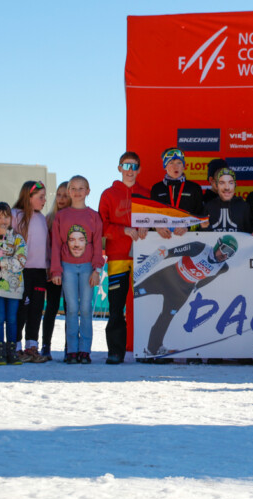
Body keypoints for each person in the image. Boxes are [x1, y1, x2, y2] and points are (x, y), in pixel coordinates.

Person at [134, 235, 239, 359]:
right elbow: (171, 252)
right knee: (134, 292)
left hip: (182, 291)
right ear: (218, 244)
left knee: (166, 317)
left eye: (230, 254)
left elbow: (210, 278)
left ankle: (154, 349)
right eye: (225, 249)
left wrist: (197, 286)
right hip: (167, 277)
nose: (225, 255)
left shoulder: (223, 268)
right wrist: (152, 259)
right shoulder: (198, 248)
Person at [99, 152, 150, 364]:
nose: (130, 170)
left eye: (134, 166)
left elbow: (157, 221)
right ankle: (116, 351)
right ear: (119, 168)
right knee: (116, 305)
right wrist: (124, 230)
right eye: (126, 166)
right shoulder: (109, 194)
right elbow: (102, 226)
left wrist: (149, 226)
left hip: (144, 257)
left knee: (147, 303)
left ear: (138, 170)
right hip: (118, 257)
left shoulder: (146, 194)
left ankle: (148, 349)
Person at [50, 176, 104, 364]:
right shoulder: (61, 216)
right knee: (72, 309)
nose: (77, 192)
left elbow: (97, 245)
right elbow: (56, 245)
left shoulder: (93, 216)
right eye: (73, 188)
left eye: (82, 188)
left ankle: (85, 351)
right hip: (68, 267)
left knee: (86, 309)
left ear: (88, 191)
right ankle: (72, 350)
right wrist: (56, 270)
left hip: (88, 267)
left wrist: (97, 270)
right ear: (69, 191)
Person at [0, 201, 26, 366]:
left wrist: (0, 262)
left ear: (11, 218)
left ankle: (12, 351)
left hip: (15, 287)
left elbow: (20, 262)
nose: (3, 220)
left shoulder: (18, 239)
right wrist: (8, 258)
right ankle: (0, 352)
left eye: (6, 216)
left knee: (12, 319)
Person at [11, 180, 48, 363]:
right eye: (40, 197)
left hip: (40, 272)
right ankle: (16, 347)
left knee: (36, 310)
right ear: (29, 197)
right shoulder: (15, 215)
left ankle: (32, 346)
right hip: (21, 272)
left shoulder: (41, 218)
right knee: (21, 311)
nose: (44, 200)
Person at [41, 181, 70, 360]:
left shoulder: (75, 218)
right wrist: (50, 269)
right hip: (53, 271)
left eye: (65, 195)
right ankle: (46, 346)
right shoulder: (49, 219)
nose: (61, 199)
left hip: (71, 271)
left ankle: (70, 346)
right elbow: (45, 247)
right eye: (58, 195)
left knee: (70, 310)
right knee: (51, 308)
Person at [150, 147, 204, 239]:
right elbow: (150, 217)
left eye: (179, 163)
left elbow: (201, 218)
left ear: (183, 166)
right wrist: (157, 227)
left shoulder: (194, 188)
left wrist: (188, 227)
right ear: (165, 166)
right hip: (162, 238)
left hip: (188, 238)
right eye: (171, 163)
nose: (176, 167)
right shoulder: (156, 188)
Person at [203, 167, 252, 233]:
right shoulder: (208, 207)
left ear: (235, 185)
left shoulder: (244, 207)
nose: (227, 187)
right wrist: (204, 228)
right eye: (222, 183)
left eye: (231, 183)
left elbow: (251, 236)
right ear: (216, 185)